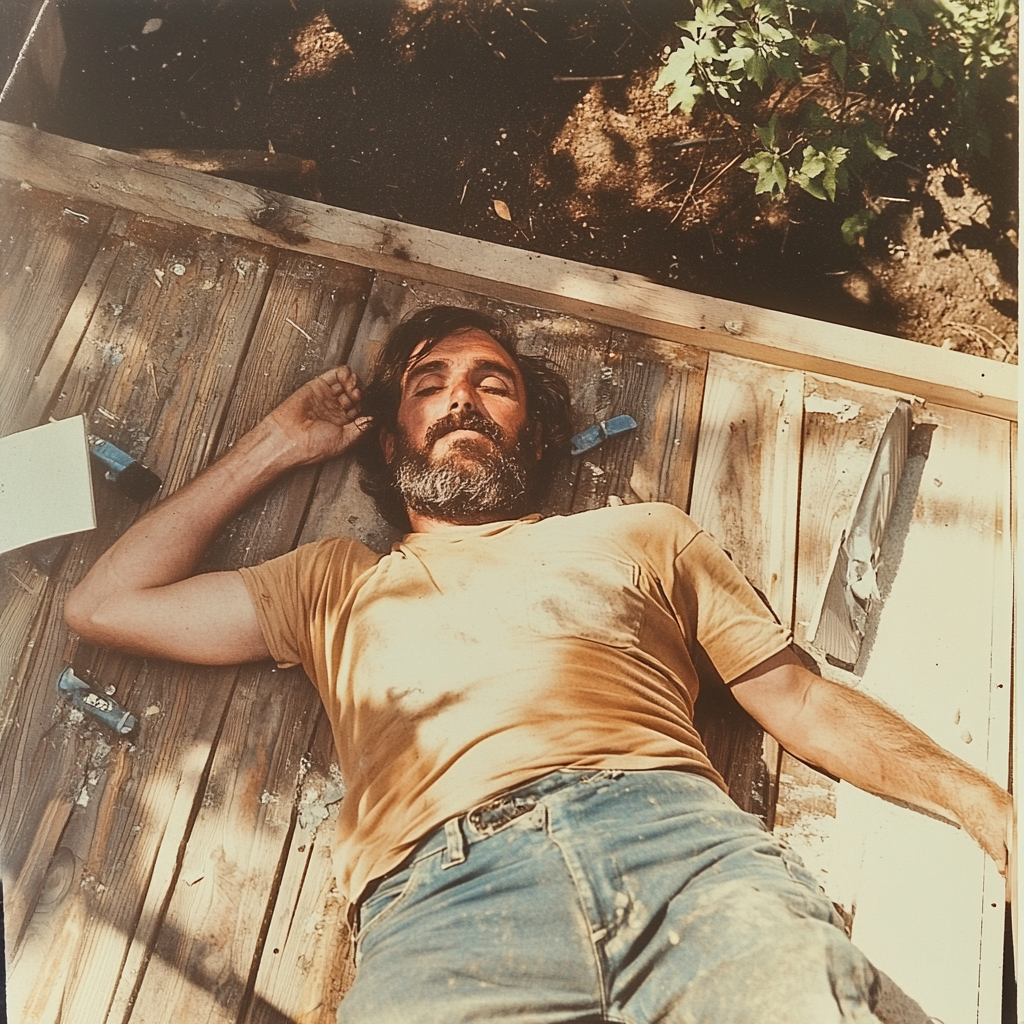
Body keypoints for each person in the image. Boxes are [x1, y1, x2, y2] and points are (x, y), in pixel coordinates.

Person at [65, 305, 1011, 1023]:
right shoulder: (329, 584)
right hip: (444, 896)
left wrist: (990, 808)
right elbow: (104, 606)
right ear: (393, 437)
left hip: (680, 853)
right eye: (429, 384)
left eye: (493, 383)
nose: (461, 397)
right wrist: (277, 443)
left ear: (533, 430)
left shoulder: (644, 536)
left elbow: (800, 701)